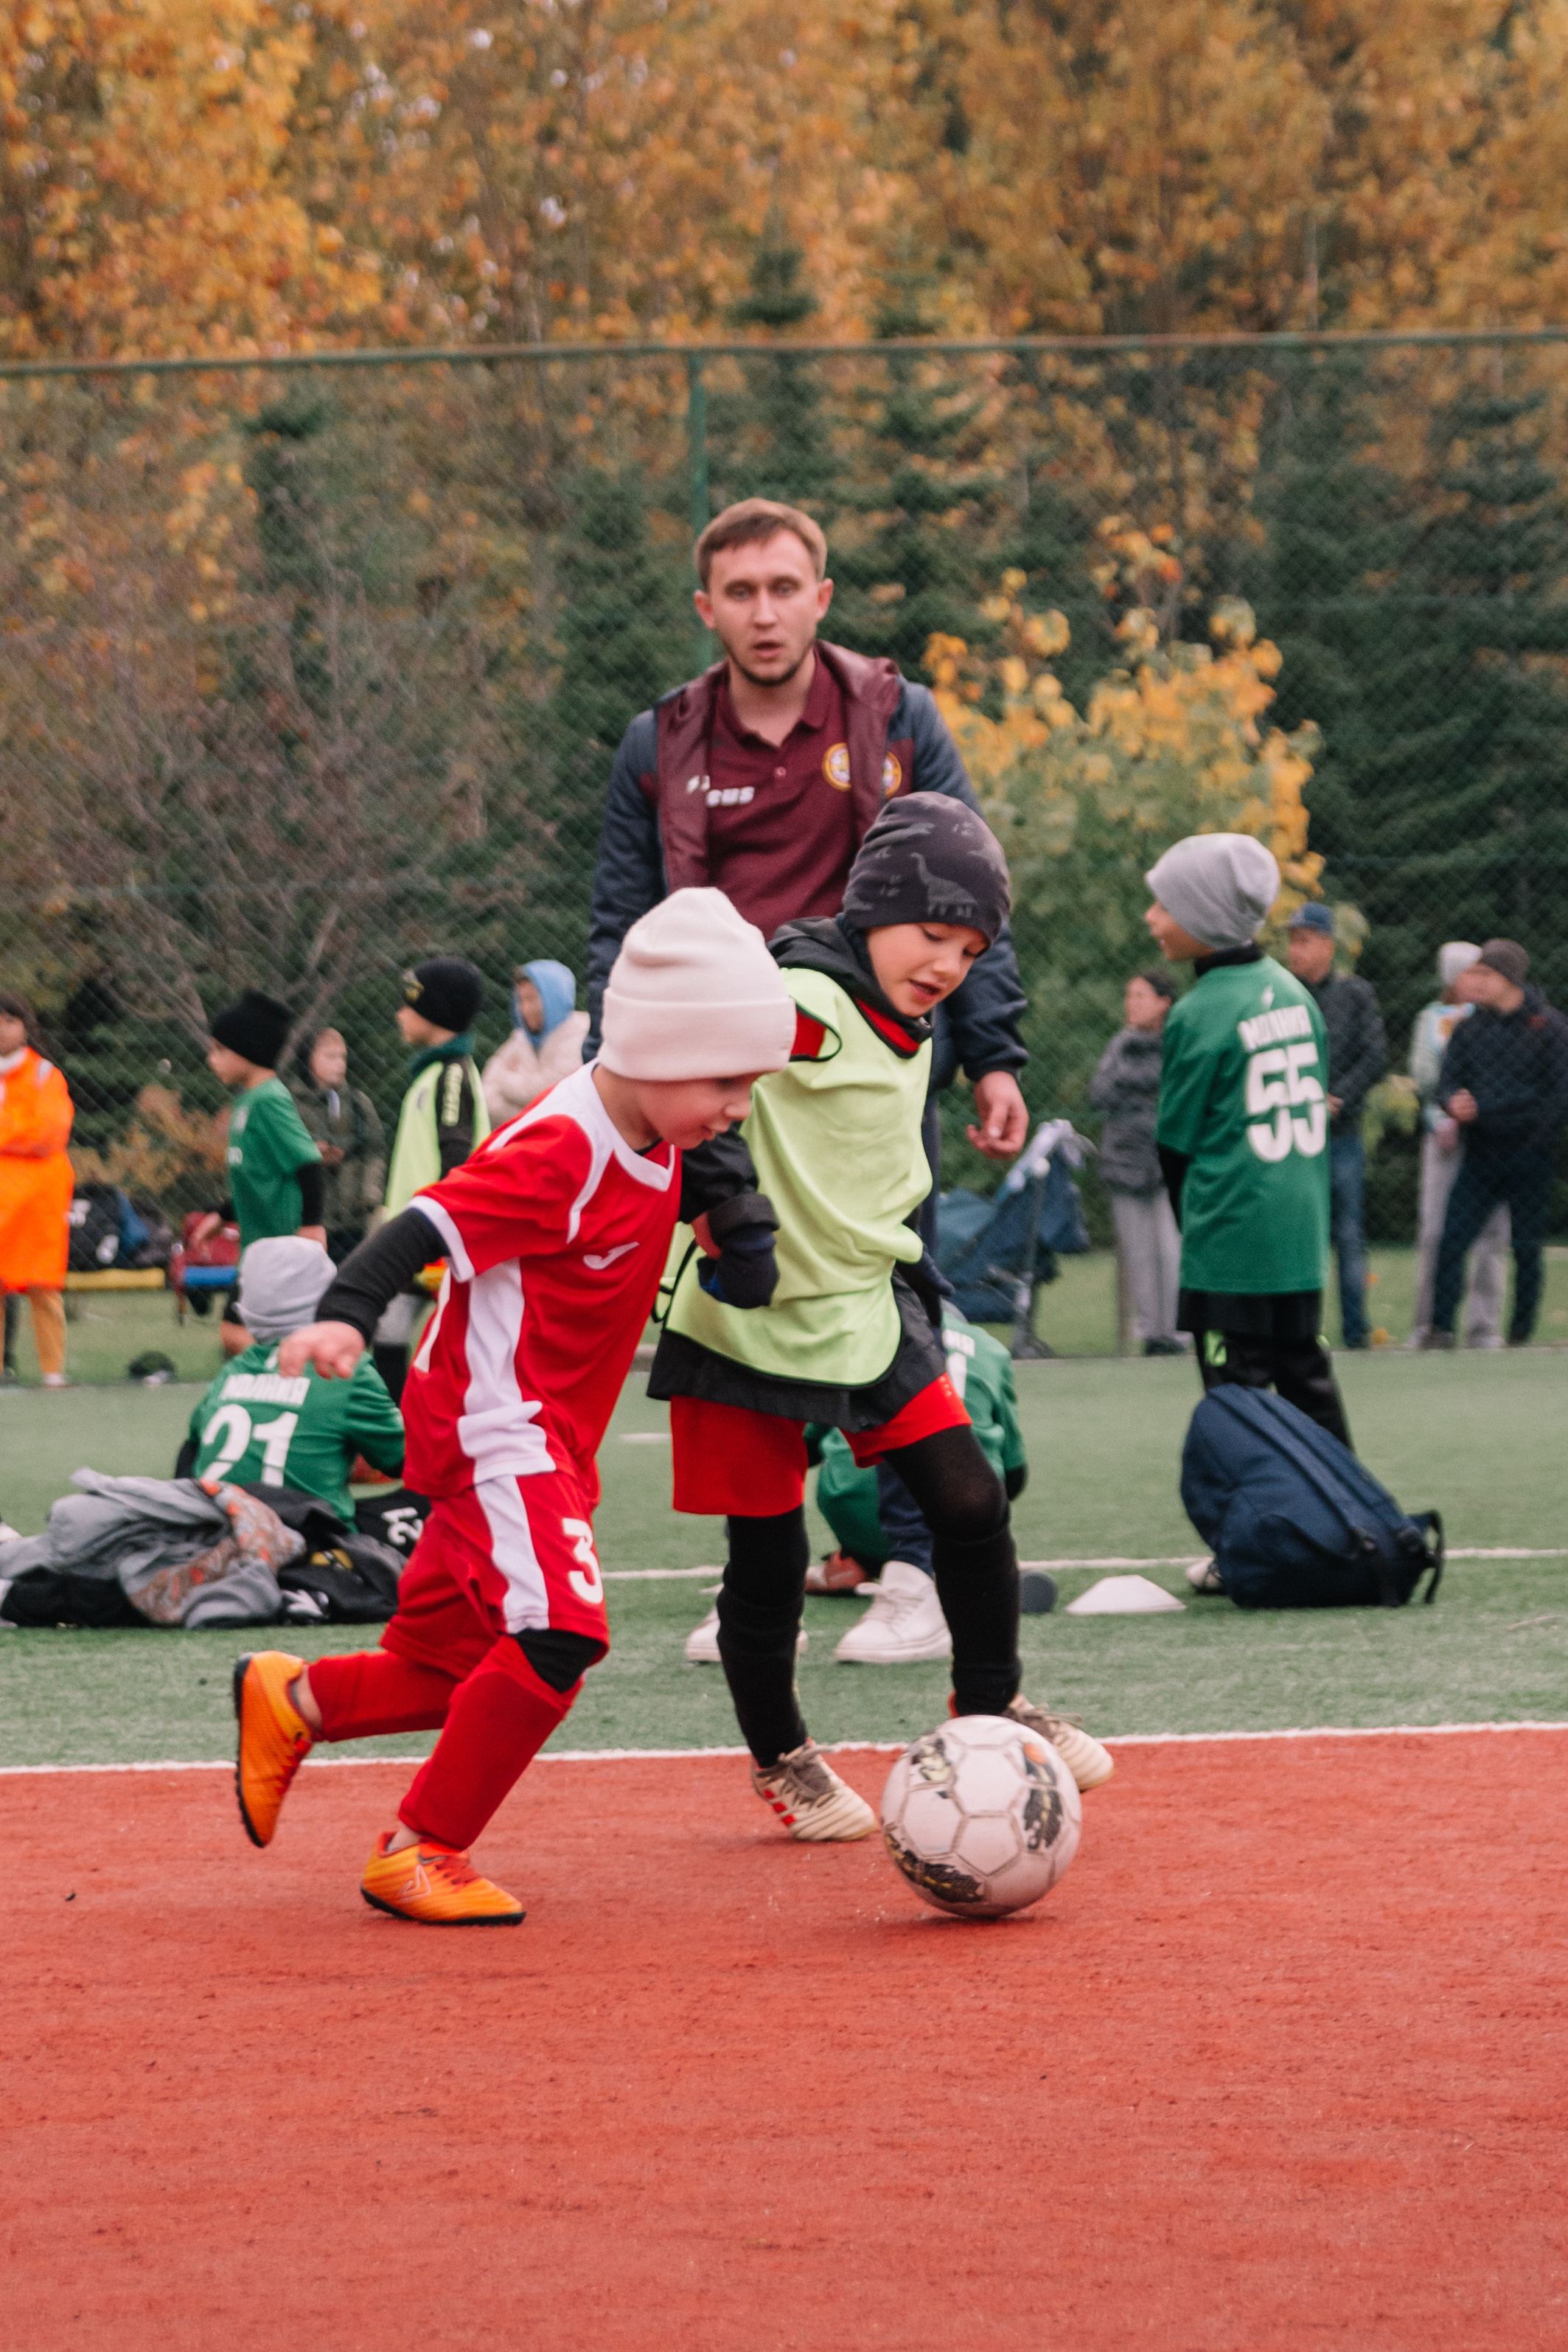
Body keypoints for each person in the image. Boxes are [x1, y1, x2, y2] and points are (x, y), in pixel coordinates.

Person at [229, 887, 798, 1924]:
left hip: (543, 1431)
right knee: (559, 1633)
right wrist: (348, 1314)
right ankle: (418, 1848)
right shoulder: (560, 1144)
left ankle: (292, 1698)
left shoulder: (659, 1121)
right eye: (727, 1078)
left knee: (447, 1663)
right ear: (660, 1050)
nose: (738, 1103)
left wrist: (738, 1236)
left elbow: (706, 1169)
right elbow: (421, 1226)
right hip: (502, 1423)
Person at [653, 796, 1114, 1808]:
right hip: (750, 1315)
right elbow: (692, 1068)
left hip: (867, 1303)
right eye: (933, 934)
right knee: (768, 1558)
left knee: (967, 1496)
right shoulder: (805, 997)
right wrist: (730, 1210)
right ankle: (782, 1758)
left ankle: (990, 1712)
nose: (948, 963)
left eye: (970, 947)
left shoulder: (902, 1009)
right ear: (872, 910)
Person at [586, 495, 1031, 1228]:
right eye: (741, 592)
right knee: (733, 1300)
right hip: (719, 1080)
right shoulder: (656, 743)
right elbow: (621, 926)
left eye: (784, 588)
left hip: (877, 1069)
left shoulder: (900, 718)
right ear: (707, 608)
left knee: (893, 1295)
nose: (764, 614)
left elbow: (968, 897)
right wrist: (607, 1071)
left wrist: (995, 1058)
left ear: (821, 598)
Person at [1146, 834, 1351, 1452]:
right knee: (1307, 1385)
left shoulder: (1199, 1010)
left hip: (1230, 1243)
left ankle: (1249, 1548)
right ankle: (1353, 1529)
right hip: (1296, 1238)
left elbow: (1174, 1148)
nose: (1152, 918)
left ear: (1205, 918)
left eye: (1165, 905)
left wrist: (1198, 1231)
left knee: (1235, 1407)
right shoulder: (1295, 995)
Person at [178, 1236, 405, 1525]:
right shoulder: (346, 1370)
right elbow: (406, 1461)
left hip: (221, 1535)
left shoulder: (233, 1370)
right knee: (425, 1500)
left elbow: (190, 1454)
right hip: (307, 1547)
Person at [1426, 939, 1568, 1351]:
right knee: (1451, 1241)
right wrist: (1453, 1101)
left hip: (1530, 1158)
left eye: (1483, 974)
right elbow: (1446, 1083)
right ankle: (1440, 1329)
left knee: (1526, 1248)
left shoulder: (1550, 1026)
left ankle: (1520, 1334)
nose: (1474, 982)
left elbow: (1560, 1096)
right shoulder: (1469, 1029)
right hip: (1480, 1157)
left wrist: (1534, 1142)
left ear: (1507, 979)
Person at [374, 958, 490, 1402]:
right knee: (391, 1326)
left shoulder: (452, 1075)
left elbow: (456, 1156)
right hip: (417, 1232)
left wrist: (443, 1236)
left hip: (434, 1238)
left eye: (408, 1005)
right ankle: (400, 1443)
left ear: (436, 1014)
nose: (400, 1014)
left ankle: (403, 1442)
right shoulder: (431, 1074)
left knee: (404, 1328)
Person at [1283, 903, 1387, 1350]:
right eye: (1291, 941)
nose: (1295, 951)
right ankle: (1297, 1333)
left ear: (1328, 946)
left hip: (1340, 1140)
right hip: (1288, 1139)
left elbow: (1375, 1056)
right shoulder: (1281, 995)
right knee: (1292, 1236)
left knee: (1347, 1235)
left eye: (1304, 941)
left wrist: (1337, 1098)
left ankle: (1356, 1333)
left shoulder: (1355, 994)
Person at [1407, 943, 1509, 1347]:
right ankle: (1429, 1325)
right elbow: (1424, 1076)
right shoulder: (1430, 1021)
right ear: (1453, 978)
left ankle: (1483, 1328)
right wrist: (1442, 1118)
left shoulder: (1501, 1020)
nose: (1479, 982)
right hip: (1443, 1139)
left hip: (1489, 1140)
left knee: (1491, 1234)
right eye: (1471, 973)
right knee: (1434, 1230)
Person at [1088, 968, 1185, 1356]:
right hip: (1125, 1163)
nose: (1132, 1004)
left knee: (1171, 1248)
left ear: (1164, 1003)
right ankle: (1151, 1335)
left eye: (1141, 996)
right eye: (1129, 996)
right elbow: (1100, 1093)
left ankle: (1178, 1334)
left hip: (1171, 1163)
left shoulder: (1180, 1040)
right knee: (1139, 1253)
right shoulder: (1121, 1044)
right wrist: (1148, 1092)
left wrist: (1137, 1090)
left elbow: (1179, 1094)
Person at [0, 992, 74, 1389]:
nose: (1, 1029)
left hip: (39, 1201)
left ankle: (53, 1372)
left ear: (25, 1026)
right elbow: (27, 1131)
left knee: (44, 1287)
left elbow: (48, 1133)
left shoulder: (45, 1074)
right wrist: (18, 1130)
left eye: (9, 1020)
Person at [290, 1029, 386, 1265]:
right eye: (330, 1057)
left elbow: (375, 1150)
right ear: (309, 1060)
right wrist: (310, 1152)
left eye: (342, 1057)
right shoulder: (290, 1103)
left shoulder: (357, 1103)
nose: (339, 1064)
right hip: (308, 1219)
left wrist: (370, 1193)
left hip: (352, 1217)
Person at [481, 961, 590, 1126]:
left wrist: (505, 1081)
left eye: (532, 999)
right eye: (521, 1000)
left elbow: (549, 1092)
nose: (525, 1009)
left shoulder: (581, 1034)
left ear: (554, 997)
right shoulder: (521, 1038)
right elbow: (486, 1096)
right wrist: (536, 1119)